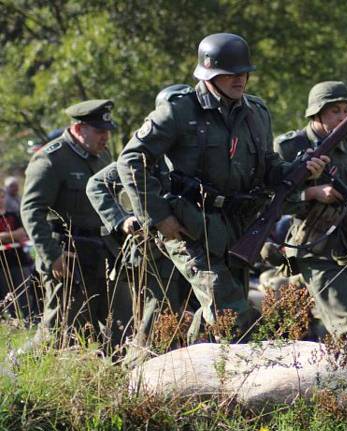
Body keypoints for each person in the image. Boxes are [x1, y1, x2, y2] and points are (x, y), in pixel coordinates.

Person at [119, 33, 329, 343]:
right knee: (232, 316)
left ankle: (190, 378)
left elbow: (269, 169)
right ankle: (235, 387)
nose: (239, 79)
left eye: (243, 72)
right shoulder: (179, 111)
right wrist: (158, 216)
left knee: (216, 320)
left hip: (239, 228)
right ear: (209, 73)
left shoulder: (257, 113)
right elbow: (131, 159)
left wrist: (303, 172)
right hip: (192, 227)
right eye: (229, 73)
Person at [275, 79, 347, 357]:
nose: (343, 118)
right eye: (335, 111)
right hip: (315, 248)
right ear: (317, 112)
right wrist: (310, 192)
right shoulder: (289, 147)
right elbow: (270, 201)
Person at [20, 98, 130, 350]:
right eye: (100, 131)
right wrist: (52, 256)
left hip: (103, 252)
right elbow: (31, 211)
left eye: (107, 131)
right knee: (61, 332)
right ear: (80, 129)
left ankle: (116, 380)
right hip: (68, 256)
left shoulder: (102, 157)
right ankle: (15, 370)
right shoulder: (50, 160)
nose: (106, 137)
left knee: (123, 325)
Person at [86, 156, 193, 359]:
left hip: (190, 246)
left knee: (188, 314)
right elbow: (96, 185)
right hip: (154, 252)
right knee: (158, 318)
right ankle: (137, 372)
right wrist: (122, 219)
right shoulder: (146, 153)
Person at [0, 186, 34, 322]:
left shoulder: (13, 215)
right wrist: (13, 236)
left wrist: (5, 236)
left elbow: (22, 233)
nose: (1, 200)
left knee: (25, 292)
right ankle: (11, 323)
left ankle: (29, 321)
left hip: (20, 260)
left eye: (2, 197)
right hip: (2, 263)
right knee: (5, 295)